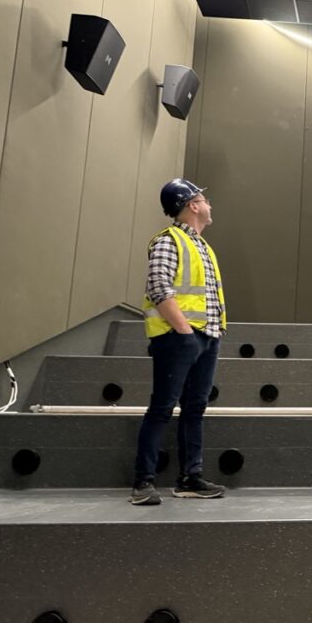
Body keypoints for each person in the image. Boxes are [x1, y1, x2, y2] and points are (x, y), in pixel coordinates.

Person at [130, 178, 227, 505]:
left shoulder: (203, 247)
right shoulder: (168, 241)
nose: (209, 205)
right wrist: (185, 333)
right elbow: (159, 288)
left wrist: (211, 334)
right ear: (193, 205)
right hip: (178, 337)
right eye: (204, 199)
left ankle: (190, 477)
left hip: (207, 337)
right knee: (162, 407)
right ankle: (143, 482)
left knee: (195, 409)